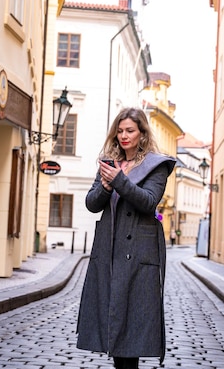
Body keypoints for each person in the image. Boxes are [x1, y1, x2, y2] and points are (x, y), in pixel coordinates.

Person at [76, 107, 176, 369]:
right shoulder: (108, 163)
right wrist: (106, 185)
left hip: (139, 257)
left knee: (132, 328)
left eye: (130, 130)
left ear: (142, 133)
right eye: (119, 131)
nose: (123, 136)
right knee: (113, 323)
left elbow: (149, 202)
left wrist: (119, 180)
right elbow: (91, 203)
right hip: (108, 252)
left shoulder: (156, 165)